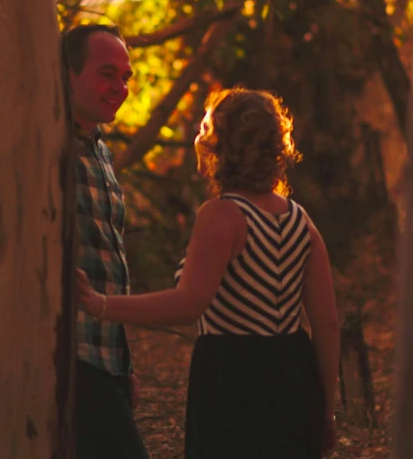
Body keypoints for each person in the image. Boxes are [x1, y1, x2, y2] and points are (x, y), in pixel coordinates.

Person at [76, 87, 340, 459]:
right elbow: (327, 323)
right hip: (296, 377)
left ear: (223, 144)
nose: (198, 138)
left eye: (204, 128)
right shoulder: (301, 220)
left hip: (235, 379)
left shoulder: (222, 215)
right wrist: (325, 411)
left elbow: (187, 305)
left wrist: (100, 305)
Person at [62, 23, 150, 459]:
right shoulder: (44, 144)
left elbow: (108, 262)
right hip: (67, 356)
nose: (121, 87)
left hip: (105, 356)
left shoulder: (99, 149)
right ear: (67, 73)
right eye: (107, 73)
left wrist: (124, 366)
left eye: (126, 77)